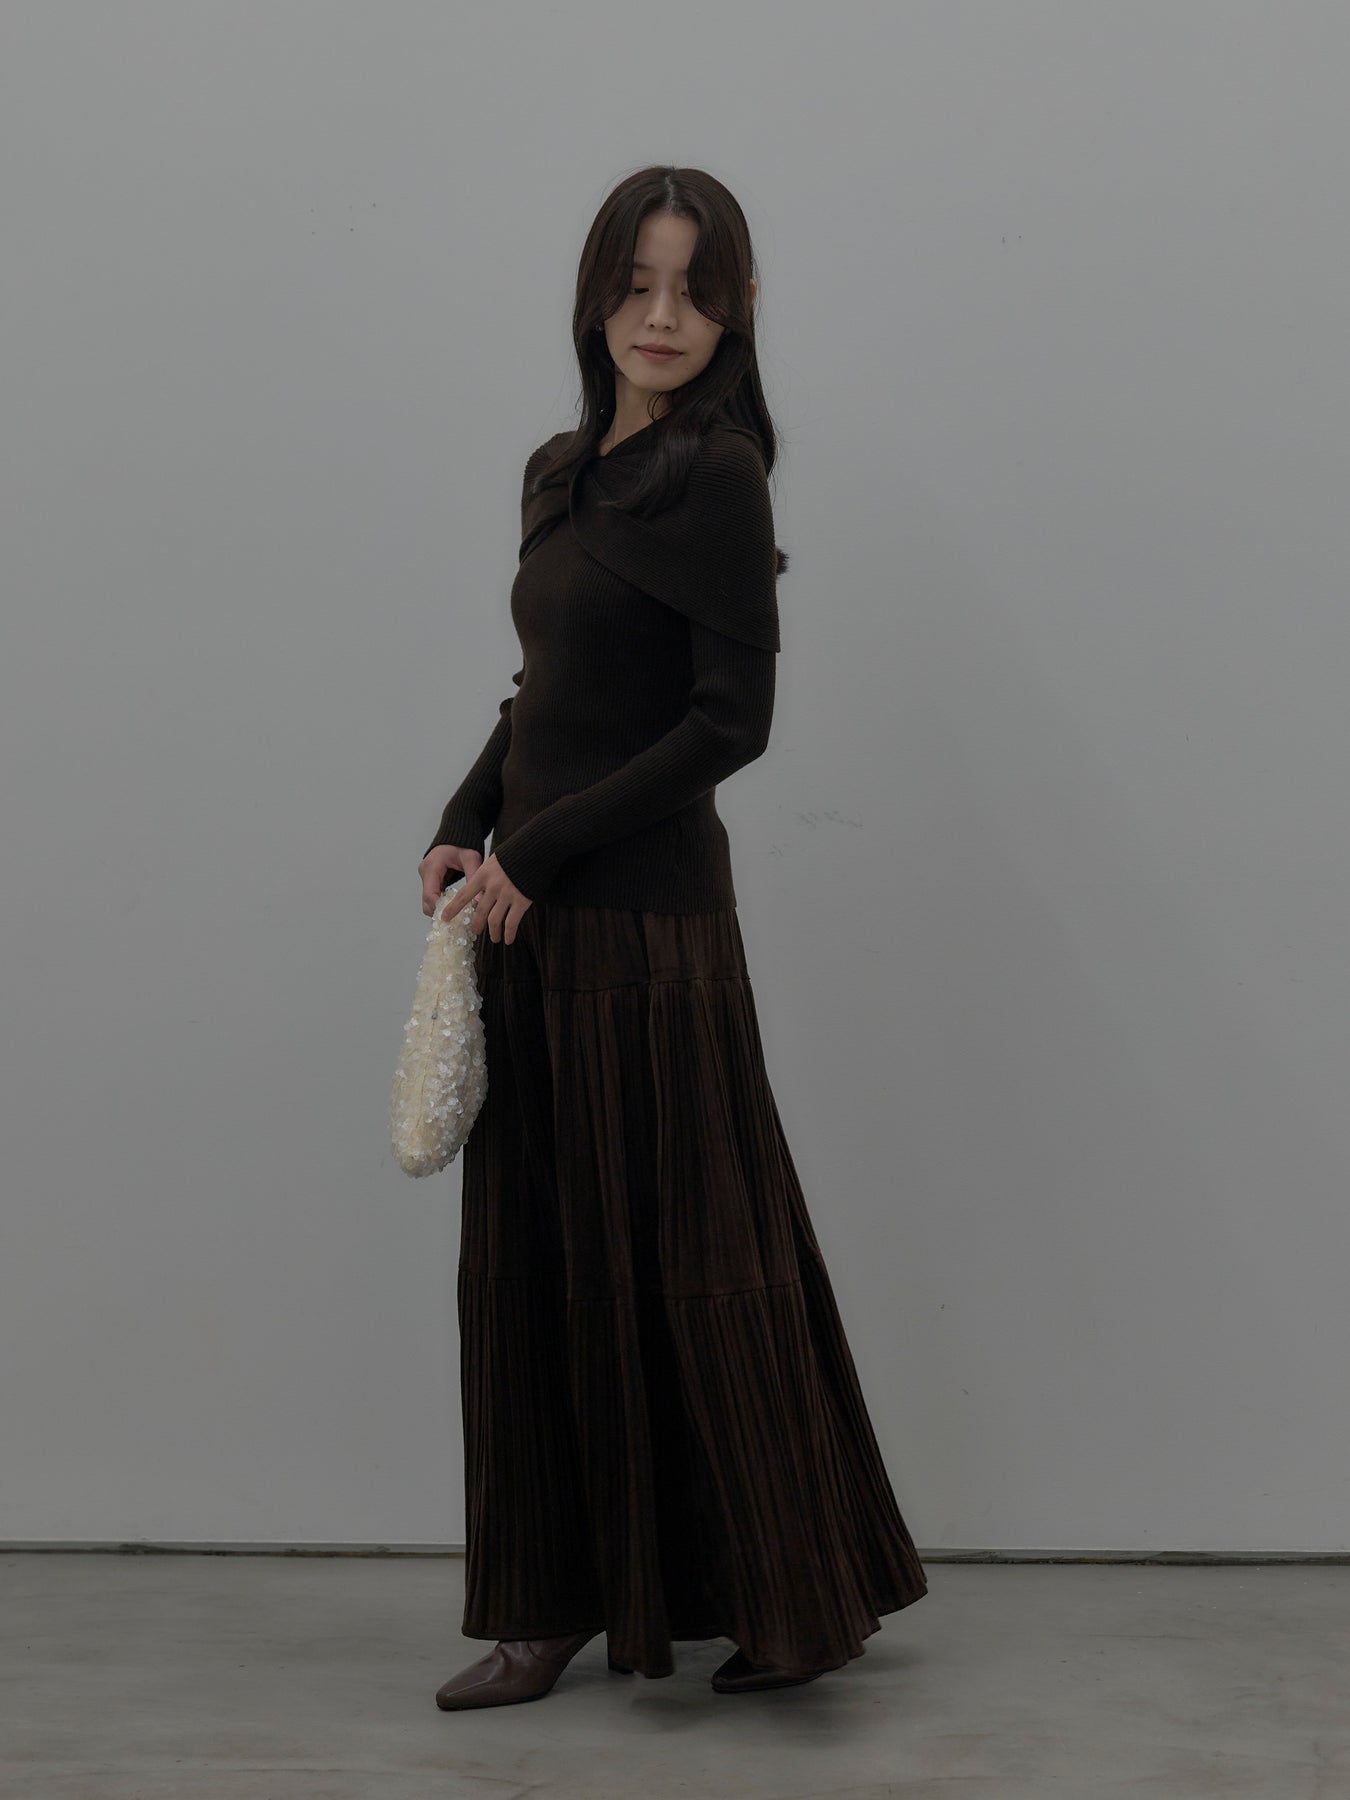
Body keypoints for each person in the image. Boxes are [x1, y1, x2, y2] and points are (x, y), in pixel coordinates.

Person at [418, 166, 927, 1711]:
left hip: (650, 930)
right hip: (529, 923)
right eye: (635, 283)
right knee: (533, 1271)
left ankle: (789, 1604)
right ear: (595, 293)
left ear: (734, 308)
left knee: (703, 1264)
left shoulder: (718, 475)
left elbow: (728, 724)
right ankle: (543, 1604)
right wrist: (466, 818)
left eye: (692, 288)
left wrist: (539, 847)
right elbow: (544, 693)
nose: (660, 315)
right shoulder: (558, 471)